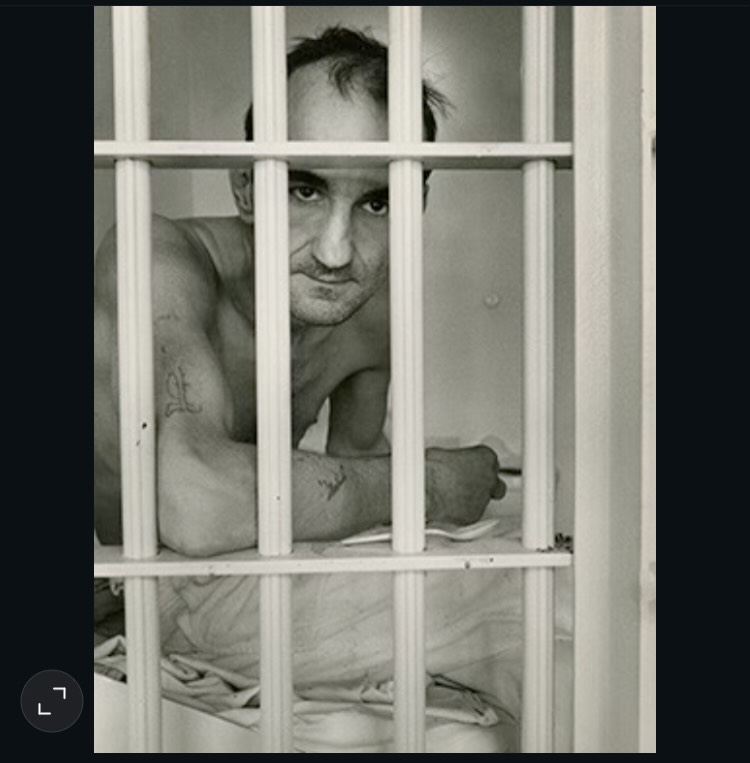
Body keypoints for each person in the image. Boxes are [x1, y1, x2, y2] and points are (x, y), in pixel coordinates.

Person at [94, 26, 507, 559]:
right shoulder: (156, 259)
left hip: (245, 582)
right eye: (304, 191)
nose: (335, 254)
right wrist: (429, 485)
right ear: (246, 187)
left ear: (417, 204)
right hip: (121, 586)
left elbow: (360, 475)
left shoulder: (372, 315)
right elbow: (197, 501)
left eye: (377, 203)